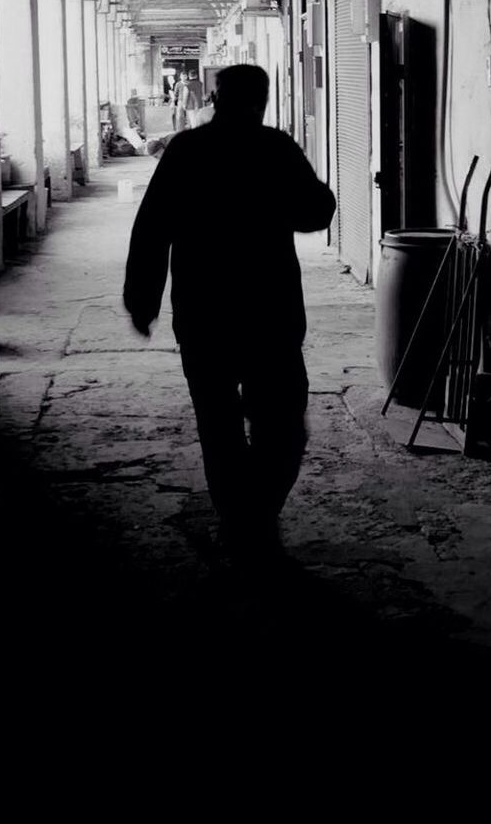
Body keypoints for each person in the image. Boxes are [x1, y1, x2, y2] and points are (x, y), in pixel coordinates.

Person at [123, 64, 336, 562]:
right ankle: (257, 515)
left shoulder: (187, 151)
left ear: (214, 99)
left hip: (204, 313)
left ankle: (239, 518)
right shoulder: (276, 149)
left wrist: (143, 299)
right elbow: (318, 212)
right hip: (270, 313)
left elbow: (152, 228)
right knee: (281, 422)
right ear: (261, 101)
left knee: (217, 424)